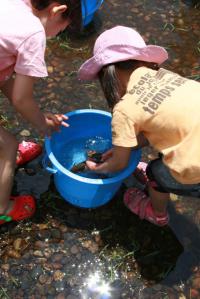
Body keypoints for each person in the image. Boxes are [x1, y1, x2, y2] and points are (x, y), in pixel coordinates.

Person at [78, 25, 200, 227]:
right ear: (144, 60)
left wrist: (97, 166)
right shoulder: (167, 76)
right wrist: (126, 147)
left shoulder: (125, 109)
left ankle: (157, 214)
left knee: (157, 173)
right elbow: (163, 125)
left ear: (106, 76)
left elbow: (119, 165)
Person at [0, 0, 83, 225]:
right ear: (58, 11)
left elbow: (4, 77)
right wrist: (42, 125)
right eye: (61, 29)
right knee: (6, 144)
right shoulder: (33, 33)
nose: (56, 35)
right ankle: (3, 208)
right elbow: (20, 99)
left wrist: (38, 112)